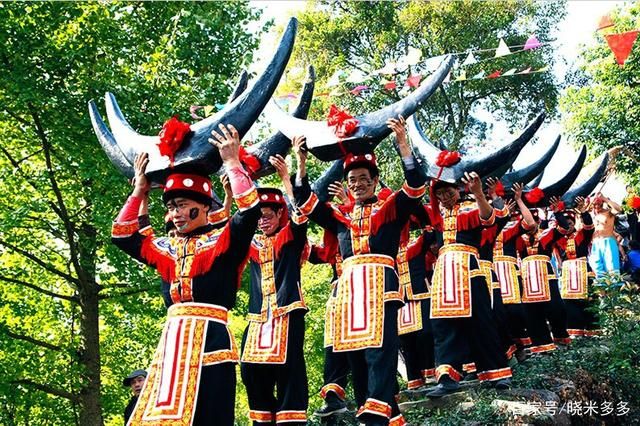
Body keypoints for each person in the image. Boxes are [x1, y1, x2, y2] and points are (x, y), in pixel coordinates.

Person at [112, 124, 260, 425]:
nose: (174, 214)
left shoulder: (223, 242)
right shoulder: (166, 248)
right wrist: (139, 191)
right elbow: (122, 236)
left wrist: (232, 162)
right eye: (170, 207)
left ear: (204, 207)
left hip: (211, 342)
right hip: (173, 345)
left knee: (211, 418)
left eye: (181, 205)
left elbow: (248, 213)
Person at [292, 116, 423, 425]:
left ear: (375, 180)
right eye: (352, 180)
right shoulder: (340, 218)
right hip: (350, 292)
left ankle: (376, 412)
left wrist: (402, 143)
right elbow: (306, 202)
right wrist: (301, 162)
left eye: (364, 178)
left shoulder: (390, 209)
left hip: (380, 285)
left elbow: (415, 187)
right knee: (356, 354)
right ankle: (379, 413)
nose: (357, 184)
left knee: (380, 350)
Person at [425, 174, 512, 398]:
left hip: (469, 267)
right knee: (443, 325)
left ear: (458, 189)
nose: (445, 197)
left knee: (481, 321)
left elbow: (490, 219)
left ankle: (497, 373)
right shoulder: (436, 214)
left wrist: (479, 193)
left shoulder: (470, 207)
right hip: (443, 271)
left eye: (449, 192)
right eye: (440, 194)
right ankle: (447, 377)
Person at [240, 151, 310, 425]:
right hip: (258, 317)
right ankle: (263, 419)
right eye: (258, 217)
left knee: (289, 371)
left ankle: (290, 420)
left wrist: (286, 179)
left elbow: (300, 217)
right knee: (250, 369)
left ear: (280, 213)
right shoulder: (254, 243)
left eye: (267, 215)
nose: (262, 221)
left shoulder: (290, 238)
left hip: (287, 311)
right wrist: (232, 194)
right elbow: (231, 230)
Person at [553, 197, 597, 337]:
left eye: (570, 223)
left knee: (588, 301)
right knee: (570, 302)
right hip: (568, 274)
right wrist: (557, 212)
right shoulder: (557, 238)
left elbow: (589, 226)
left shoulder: (581, 235)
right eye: (565, 223)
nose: (568, 226)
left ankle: (592, 331)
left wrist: (584, 212)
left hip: (583, 271)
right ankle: (575, 331)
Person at [589, 194, 623, 277]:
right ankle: (601, 284)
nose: (597, 206)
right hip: (595, 243)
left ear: (602, 203)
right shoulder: (591, 214)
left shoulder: (609, 212)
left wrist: (604, 198)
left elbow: (619, 209)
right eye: (594, 204)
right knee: (597, 266)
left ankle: (615, 285)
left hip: (608, 241)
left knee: (612, 266)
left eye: (599, 204)